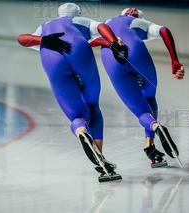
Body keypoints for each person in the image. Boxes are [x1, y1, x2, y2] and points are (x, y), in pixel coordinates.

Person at [17, 3, 127, 181]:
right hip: (78, 51)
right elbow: (102, 27)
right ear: (78, 13)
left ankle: (81, 130)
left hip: (50, 56)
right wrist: (114, 42)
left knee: (76, 115)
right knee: (92, 105)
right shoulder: (79, 20)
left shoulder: (44, 27)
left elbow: (22, 39)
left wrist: (43, 40)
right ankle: (100, 158)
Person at [90, 8, 185, 168]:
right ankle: (150, 142)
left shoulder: (105, 24)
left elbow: (88, 42)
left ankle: (154, 133)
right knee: (149, 98)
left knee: (141, 110)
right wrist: (174, 61)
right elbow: (164, 30)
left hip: (111, 58)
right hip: (137, 53)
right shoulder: (138, 22)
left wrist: (107, 42)